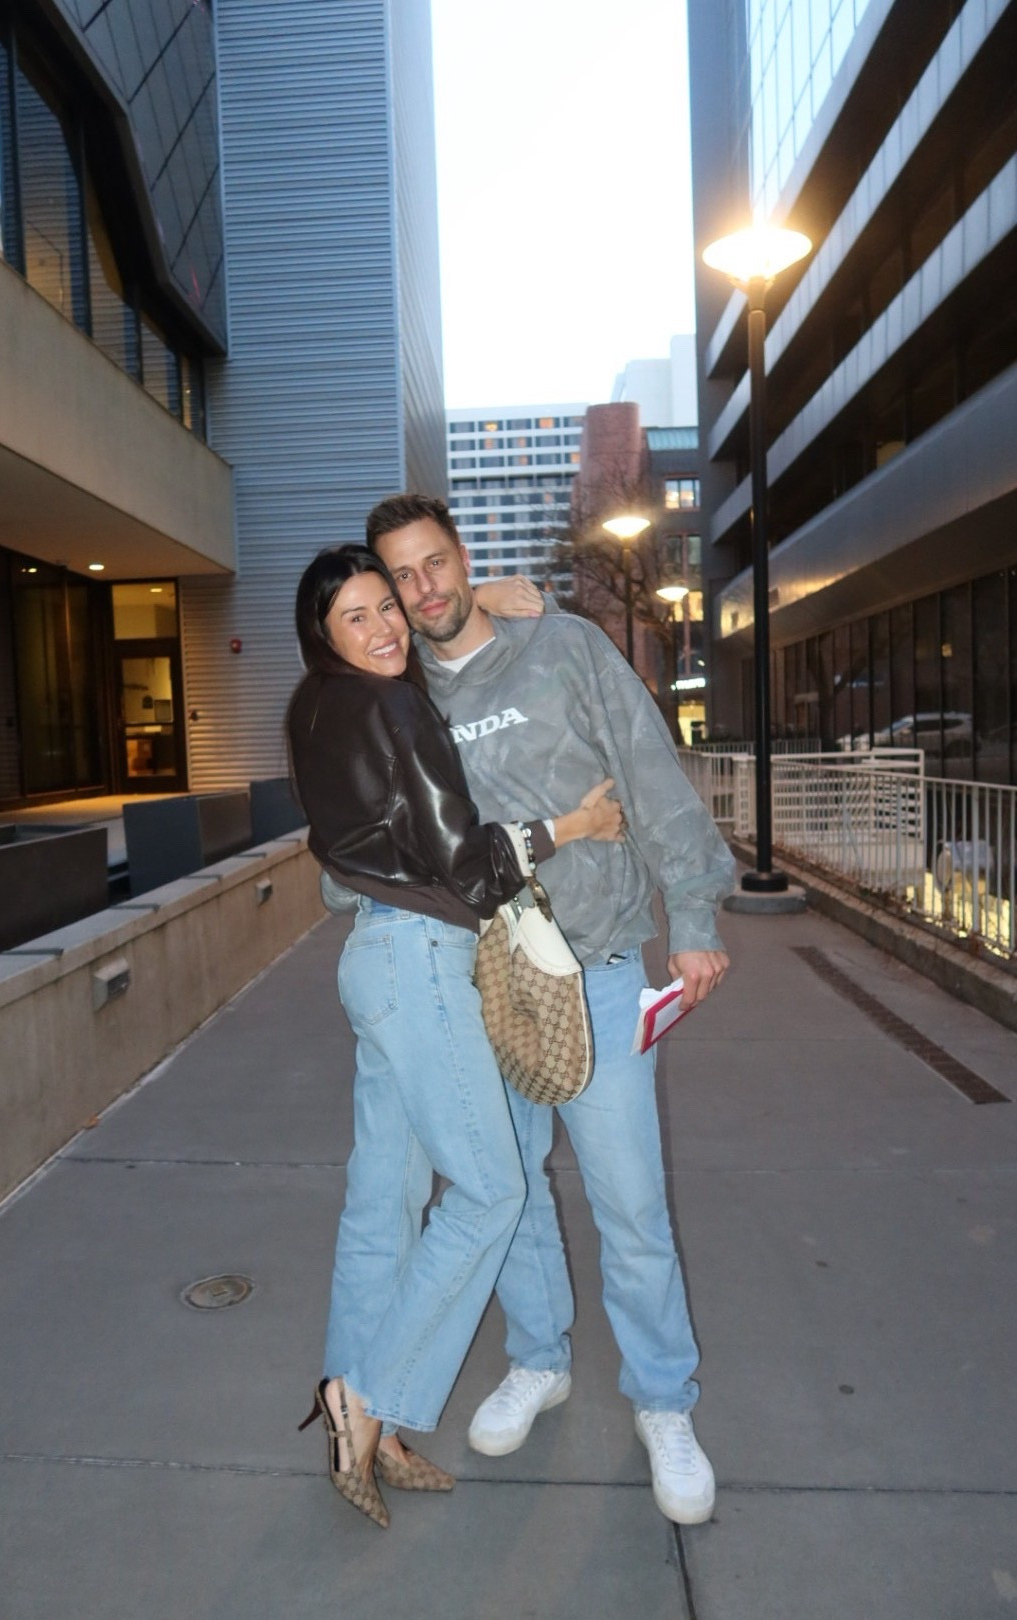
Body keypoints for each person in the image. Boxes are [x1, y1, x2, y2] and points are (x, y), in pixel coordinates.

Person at [365, 493, 735, 1526]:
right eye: (405, 575)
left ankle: (664, 1400)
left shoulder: (562, 647)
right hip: (483, 982)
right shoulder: (400, 702)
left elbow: (651, 771)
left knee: (630, 1204)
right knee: (508, 1189)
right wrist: (476, 596)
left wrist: (694, 915)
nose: (427, 587)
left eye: (440, 563)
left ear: (463, 552)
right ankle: (539, 1359)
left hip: (602, 965)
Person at [286, 544, 624, 1529]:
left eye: (387, 606)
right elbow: (473, 874)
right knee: (490, 1190)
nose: (387, 625)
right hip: (425, 967)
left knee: (380, 1203)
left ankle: (364, 1417)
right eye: (358, 617)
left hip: (375, 963)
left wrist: (472, 596)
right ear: (328, 636)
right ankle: (369, 1399)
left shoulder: (313, 708)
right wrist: (570, 826)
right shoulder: (391, 706)